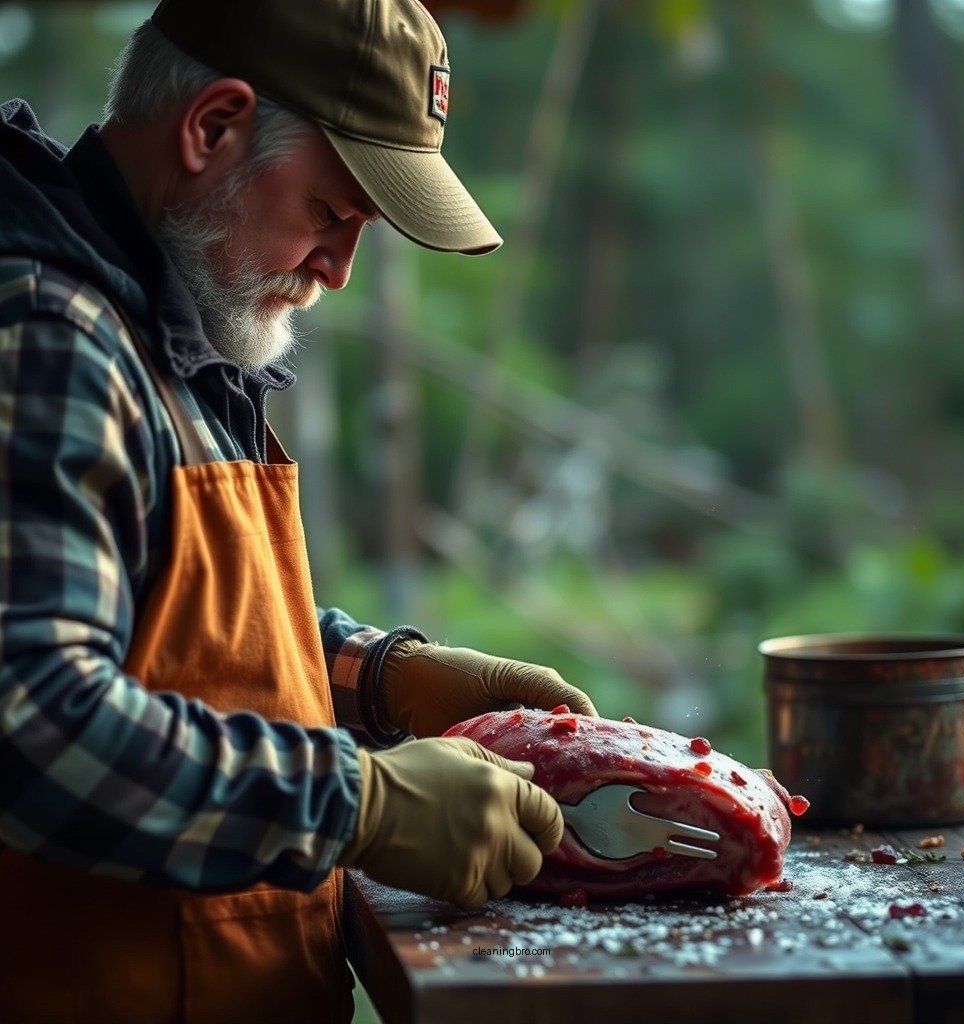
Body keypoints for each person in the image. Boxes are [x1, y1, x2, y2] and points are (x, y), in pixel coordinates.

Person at [0, 1, 598, 1021]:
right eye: (331, 211)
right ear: (211, 127)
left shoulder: (173, 332)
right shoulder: (51, 339)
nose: (338, 269)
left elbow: (173, 634)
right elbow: (33, 721)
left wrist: (377, 674)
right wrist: (359, 798)